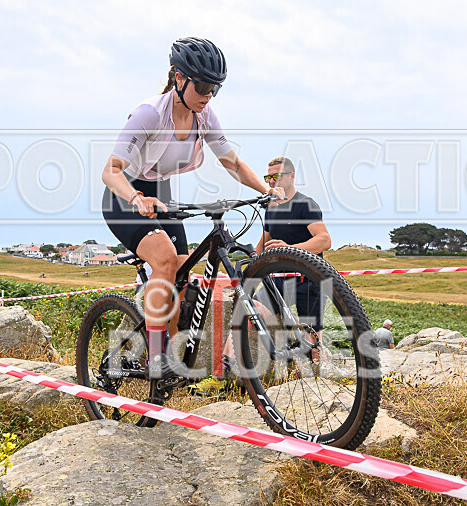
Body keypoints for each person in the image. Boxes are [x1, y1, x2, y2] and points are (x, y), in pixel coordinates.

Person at [101, 38, 284, 378]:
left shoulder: (205, 115)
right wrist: (136, 198)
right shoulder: (149, 114)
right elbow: (109, 171)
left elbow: (233, 163)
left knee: (184, 276)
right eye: (202, 85)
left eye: (215, 88)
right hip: (124, 195)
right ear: (179, 78)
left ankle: (170, 352)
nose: (208, 94)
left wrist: (266, 191)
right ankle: (156, 361)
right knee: (165, 259)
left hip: (160, 193)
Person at [222, 156, 331, 367]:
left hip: (308, 280)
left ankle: (323, 378)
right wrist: (244, 281)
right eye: (268, 177)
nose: (272, 181)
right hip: (279, 282)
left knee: (312, 339)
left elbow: (324, 240)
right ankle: (224, 368)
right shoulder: (271, 206)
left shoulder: (305, 204)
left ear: (291, 176)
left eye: (277, 176)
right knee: (247, 309)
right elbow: (263, 244)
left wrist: (288, 250)